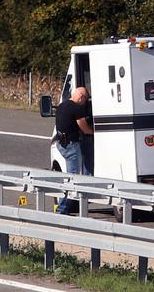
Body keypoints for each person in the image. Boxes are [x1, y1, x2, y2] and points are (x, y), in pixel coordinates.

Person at [54, 86, 93, 214]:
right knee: (73, 179)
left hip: (61, 144)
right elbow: (83, 126)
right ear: (81, 97)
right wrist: (93, 133)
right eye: (85, 100)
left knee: (69, 176)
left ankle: (65, 207)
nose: (85, 103)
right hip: (71, 147)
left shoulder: (61, 106)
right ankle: (62, 210)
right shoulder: (76, 108)